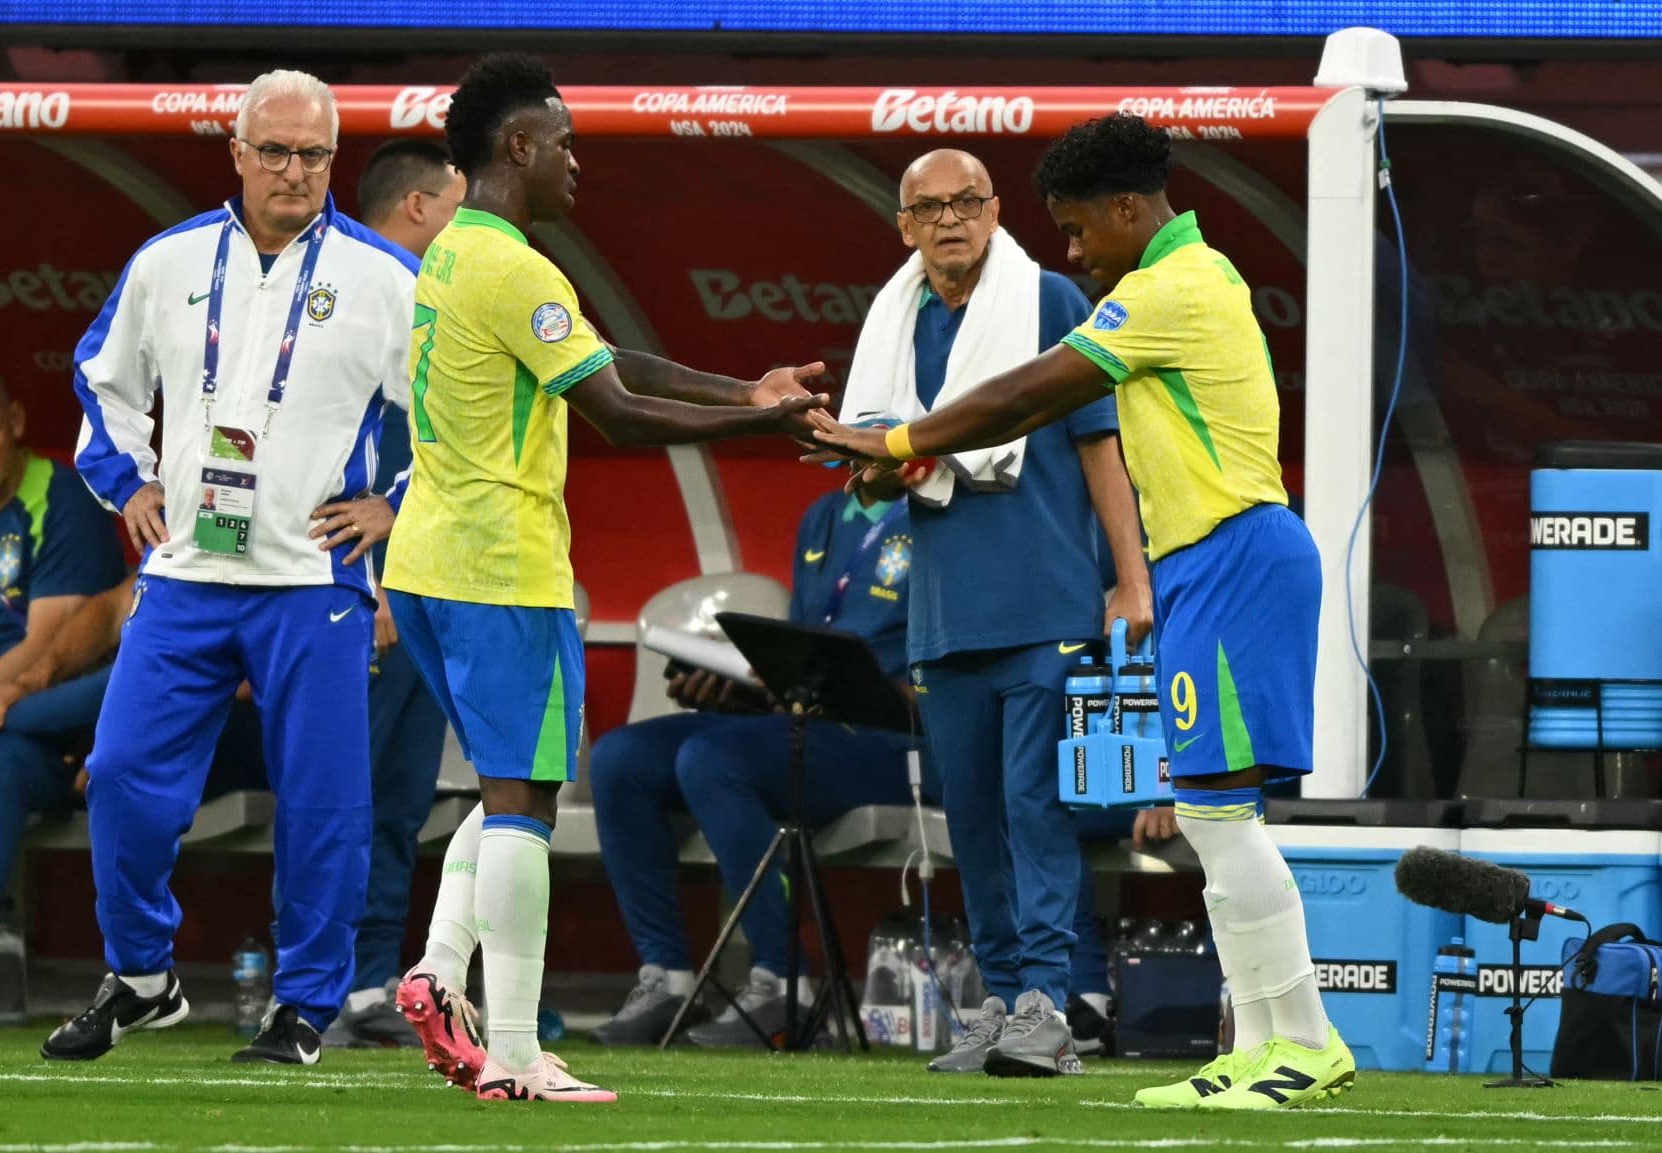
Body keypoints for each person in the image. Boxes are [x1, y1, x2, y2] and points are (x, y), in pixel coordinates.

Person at [812, 113, 1352, 1110]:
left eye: (1075, 230)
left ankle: (1307, 1040)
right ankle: (1263, 1043)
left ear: (1125, 208)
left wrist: (895, 442)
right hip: (1206, 559)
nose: (1068, 252)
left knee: (1225, 818)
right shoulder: (1180, 280)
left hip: (1236, 551)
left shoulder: (1170, 288)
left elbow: (1028, 393)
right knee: (1208, 815)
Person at [384, 52, 825, 1104]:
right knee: (527, 798)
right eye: (565, 141)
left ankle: (441, 978)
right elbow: (616, 410)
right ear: (518, 147)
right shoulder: (516, 268)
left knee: (502, 789)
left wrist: (742, 384)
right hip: (500, 567)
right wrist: (762, 418)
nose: (579, 160)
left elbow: (601, 356)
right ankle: (521, 1053)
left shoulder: (460, 253)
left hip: (428, 563)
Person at [42, 68, 419, 1066]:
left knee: (325, 802)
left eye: (316, 155)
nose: (295, 172)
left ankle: (304, 1006)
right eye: (277, 151)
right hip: (185, 576)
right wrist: (128, 484)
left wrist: (395, 504)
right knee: (120, 774)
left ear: (334, 160)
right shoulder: (166, 262)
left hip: (314, 582)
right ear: (238, 152)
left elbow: (455, 424)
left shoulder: (387, 278)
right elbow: (100, 384)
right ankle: (143, 975)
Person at [838, 150, 1149, 1077]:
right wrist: (871, 463)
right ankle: (1004, 1001)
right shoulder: (892, 322)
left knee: (1031, 807)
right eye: (928, 207)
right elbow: (866, 475)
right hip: (943, 611)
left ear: (994, 209)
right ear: (904, 226)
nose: (949, 220)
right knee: (972, 816)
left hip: (1045, 598)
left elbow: (1101, 445)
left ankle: (1050, 1006)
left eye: (966, 201)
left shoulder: (1048, 297)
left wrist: (1130, 582)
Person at [589, 485, 923, 1047]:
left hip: (891, 741)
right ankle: (667, 980)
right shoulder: (824, 514)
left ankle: (783, 984)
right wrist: (738, 692)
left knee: (713, 759)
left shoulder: (936, 510)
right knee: (620, 759)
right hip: (805, 724)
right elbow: (802, 660)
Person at [319, 138, 466, 1050]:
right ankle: (323, 975)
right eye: (458, 204)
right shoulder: (351, 287)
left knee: (397, 801)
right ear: (416, 206)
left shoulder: (430, 293)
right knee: (344, 795)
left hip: (419, 590)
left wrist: (401, 513)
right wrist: (362, 576)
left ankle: (369, 978)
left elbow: (443, 441)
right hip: (355, 595)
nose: (470, 224)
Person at [0, 362, 124, 1027]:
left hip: (67, 725)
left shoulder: (62, 496)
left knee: (5, 742)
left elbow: (49, 652)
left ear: (15, 423)